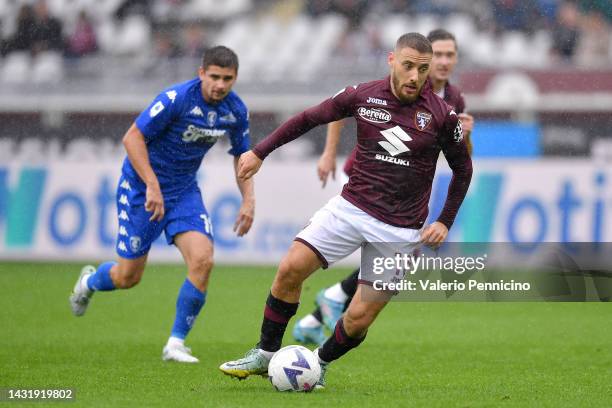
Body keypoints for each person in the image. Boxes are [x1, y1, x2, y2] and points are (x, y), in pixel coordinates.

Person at [219, 33, 472, 387]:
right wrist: (260, 152)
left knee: (358, 319)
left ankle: (318, 363)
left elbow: (464, 169)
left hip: (400, 231)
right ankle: (265, 353)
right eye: (408, 66)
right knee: (291, 268)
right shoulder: (364, 95)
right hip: (351, 209)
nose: (415, 76)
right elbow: (309, 118)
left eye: (423, 69)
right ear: (391, 60)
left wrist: (445, 221)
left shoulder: (442, 115)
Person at [69, 46, 254, 363]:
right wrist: (152, 185)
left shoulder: (235, 111)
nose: (220, 84)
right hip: (142, 189)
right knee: (128, 277)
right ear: (201, 73)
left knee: (203, 260)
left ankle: (175, 344)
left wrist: (248, 199)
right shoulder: (176, 99)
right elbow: (132, 138)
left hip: (183, 192)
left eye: (227, 78)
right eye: (214, 77)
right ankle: (88, 282)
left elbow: (242, 156)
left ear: (235, 78)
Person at [293, 28, 474, 345]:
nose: (443, 62)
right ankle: (333, 299)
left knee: (390, 254)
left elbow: (460, 158)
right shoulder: (404, 79)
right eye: (439, 55)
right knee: (389, 247)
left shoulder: (453, 99)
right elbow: (341, 108)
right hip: (366, 178)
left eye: (450, 55)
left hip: (404, 187)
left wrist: (466, 134)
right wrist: (328, 152)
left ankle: (322, 310)